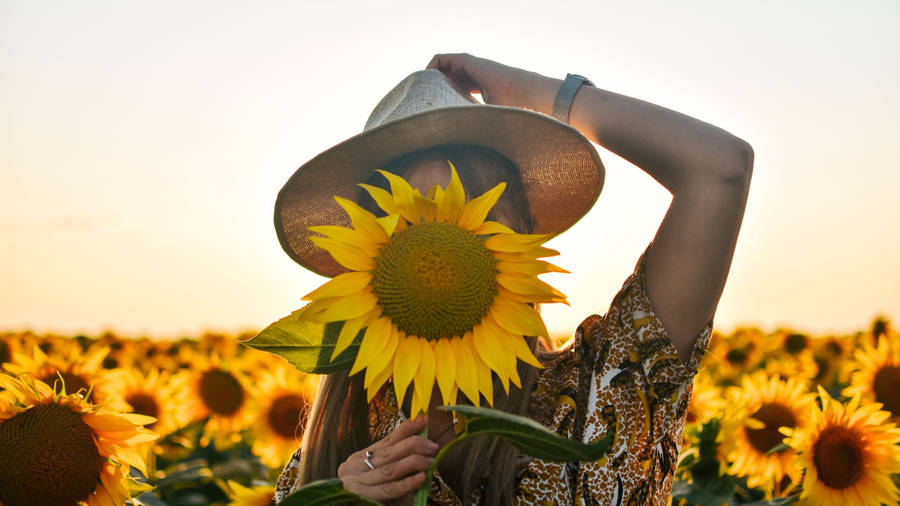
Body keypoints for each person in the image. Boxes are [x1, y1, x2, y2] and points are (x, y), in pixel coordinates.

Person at [271, 53, 753, 505]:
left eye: (471, 204)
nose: (440, 244)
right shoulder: (326, 464)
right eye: (411, 223)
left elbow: (719, 167)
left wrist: (528, 93)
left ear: (520, 231)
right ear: (366, 254)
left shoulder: (600, 395)